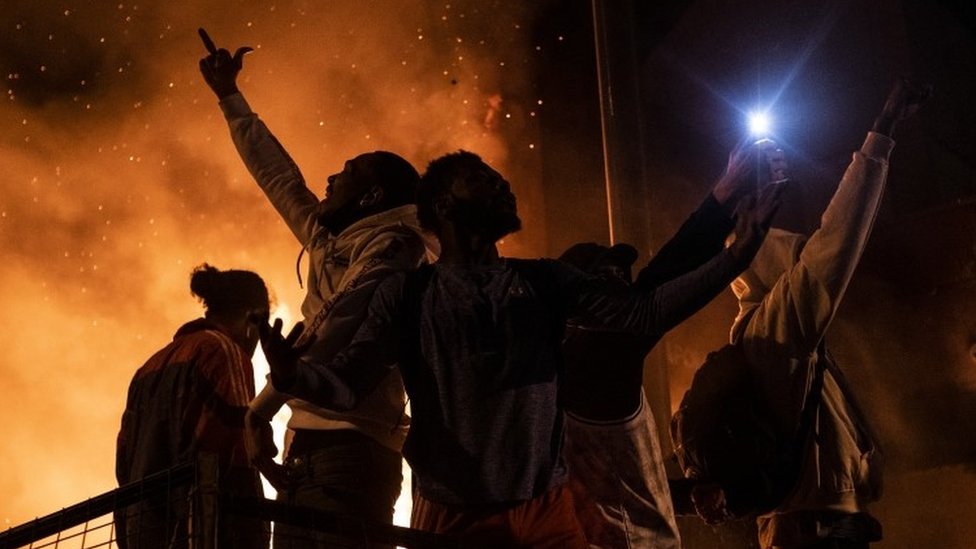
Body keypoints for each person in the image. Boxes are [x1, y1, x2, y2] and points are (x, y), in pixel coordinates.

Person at [258, 149, 783, 547]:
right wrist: (290, 378)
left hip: (545, 512)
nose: (501, 183)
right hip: (453, 515)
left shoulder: (544, 282)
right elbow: (349, 381)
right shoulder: (409, 293)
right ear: (443, 206)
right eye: (482, 179)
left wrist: (740, 254)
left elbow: (645, 309)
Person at [197, 29, 433, 548]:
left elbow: (338, 322)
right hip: (305, 447)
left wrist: (263, 406)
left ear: (371, 195)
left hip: (352, 451)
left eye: (346, 174)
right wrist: (230, 99)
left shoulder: (396, 247)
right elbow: (280, 179)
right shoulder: (334, 238)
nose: (329, 178)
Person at [681, 78, 930, 548]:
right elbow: (835, 242)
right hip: (811, 533)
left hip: (814, 527)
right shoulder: (776, 330)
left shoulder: (773, 331)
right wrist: (881, 134)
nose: (796, 239)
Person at [558, 148, 772, 549]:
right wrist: (734, 238)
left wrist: (682, 494)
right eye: (607, 278)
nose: (623, 284)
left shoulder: (570, 373)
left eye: (623, 275)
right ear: (577, 308)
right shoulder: (594, 360)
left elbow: (614, 486)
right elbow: (662, 282)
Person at [115, 264, 271, 549]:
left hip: (143, 531)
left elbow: (124, 461)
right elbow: (236, 452)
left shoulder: (149, 366)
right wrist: (255, 534)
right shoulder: (225, 352)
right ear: (253, 319)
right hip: (200, 532)